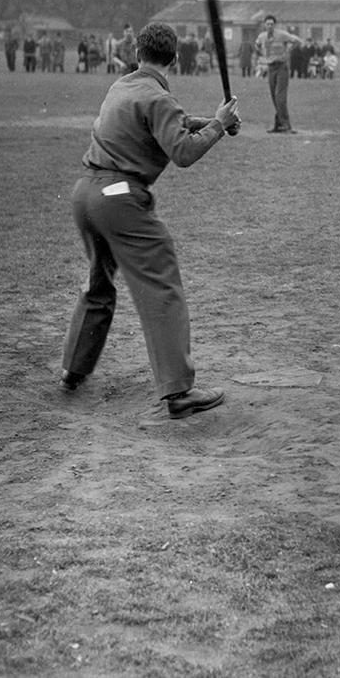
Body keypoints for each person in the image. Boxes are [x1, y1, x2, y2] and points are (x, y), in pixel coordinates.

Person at [60, 22, 241, 418]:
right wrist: (216, 126)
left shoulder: (122, 86)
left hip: (85, 194)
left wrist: (212, 121)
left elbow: (164, 122)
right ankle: (178, 392)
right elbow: (183, 152)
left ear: (136, 54)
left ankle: (73, 369)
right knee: (160, 282)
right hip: (118, 199)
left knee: (98, 283)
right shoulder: (160, 98)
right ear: (175, 58)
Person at [254, 15, 302, 133]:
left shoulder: (282, 35)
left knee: (280, 97)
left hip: (282, 67)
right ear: (264, 25)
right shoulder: (262, 36)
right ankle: (278, 125)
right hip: (271, 68)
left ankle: (286, 125)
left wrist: (288, 51)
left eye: (272, 24)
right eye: (267, 24)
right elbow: (257, 45)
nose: (270, 26)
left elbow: (298, 41)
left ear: (274, 25)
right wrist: (260, 53)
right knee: (274, 97)